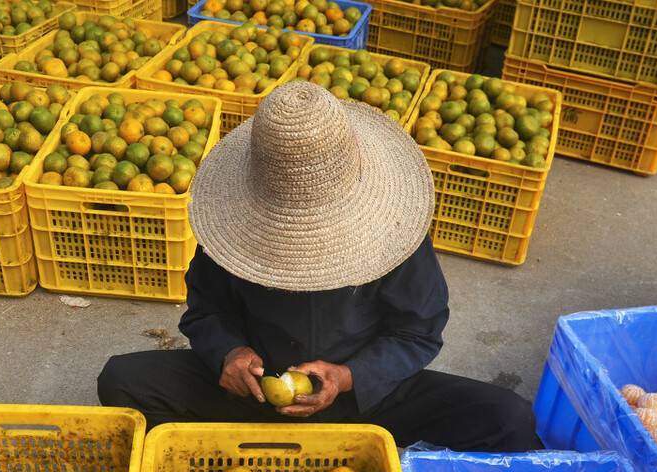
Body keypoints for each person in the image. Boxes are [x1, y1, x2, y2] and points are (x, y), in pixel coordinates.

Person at [98, 82, 538, 452]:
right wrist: (228, 355)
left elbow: (418, 332)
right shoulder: (229, 228)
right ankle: (254, 450)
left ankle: (325, 445)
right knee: (122, 380)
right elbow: (205, 311)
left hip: (364, 400)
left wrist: (350, 377)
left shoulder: (394, 229)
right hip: (256, 394)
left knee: (508, 419)